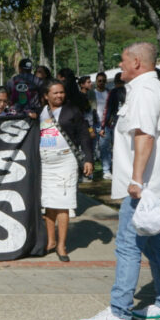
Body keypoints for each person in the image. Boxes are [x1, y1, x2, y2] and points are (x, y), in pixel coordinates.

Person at [79, 43, 160, 320]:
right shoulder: (146, 89)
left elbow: (145, 135)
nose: (120, 67)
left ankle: (119, 312)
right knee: (155, 245)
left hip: (146, 189)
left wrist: (136, 180)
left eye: (123, 61)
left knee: (127, 246)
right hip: (155, 187)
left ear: (136, 62)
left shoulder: (145, 91)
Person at [38, 80, 94, 262]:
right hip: (46, 164)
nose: (59, 96)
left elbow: (84, 135)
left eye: (61, 92)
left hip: (65, 162)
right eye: (55, 93)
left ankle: (62, 245)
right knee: (48, 203)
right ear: (46, 96)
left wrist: (88, 159)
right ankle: (51, 242)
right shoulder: (40, 112)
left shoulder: (72, 111)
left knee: (63, 204)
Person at [93, 72, 113, 180]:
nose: (101, 83)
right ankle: (89, 172)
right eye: (99, 80)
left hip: (105, 125)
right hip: (94, 123)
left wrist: (108, 122)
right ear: (96, 81)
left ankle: (106, 171)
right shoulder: (92, 93)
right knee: (91, 149)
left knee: (105, 148)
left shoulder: (109, 93)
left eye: (103, 81)